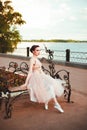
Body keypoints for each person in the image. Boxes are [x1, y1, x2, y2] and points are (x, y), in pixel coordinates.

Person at [10, 45, 65, 113]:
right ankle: (56, 104)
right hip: (35, 78)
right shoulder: (32, 59)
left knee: (51, 86)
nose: (39, 52)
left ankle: (47, 102)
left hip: (41, 76)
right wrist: (26, 83)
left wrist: (46, 77)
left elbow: (41, 70)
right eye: (37, 50)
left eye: (39, 50)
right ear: (33, 51)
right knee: (49, 88)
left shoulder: (36, 59)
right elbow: (30, 72)